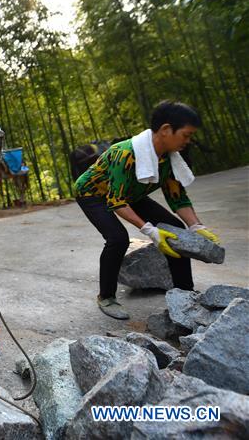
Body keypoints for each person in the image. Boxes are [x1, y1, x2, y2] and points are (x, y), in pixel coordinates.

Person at [75, 100, 219, 320]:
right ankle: (106, 297)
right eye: (186, 135)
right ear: (165, 130)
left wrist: (196, 226)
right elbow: (116, 201)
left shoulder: (169, 158)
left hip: (131, 194)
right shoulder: (124, 154)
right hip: (93, 194)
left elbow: (177, 197)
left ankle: (185, 293)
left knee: (176, 228)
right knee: (118, 239)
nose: (188, 141)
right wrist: (150, 231)